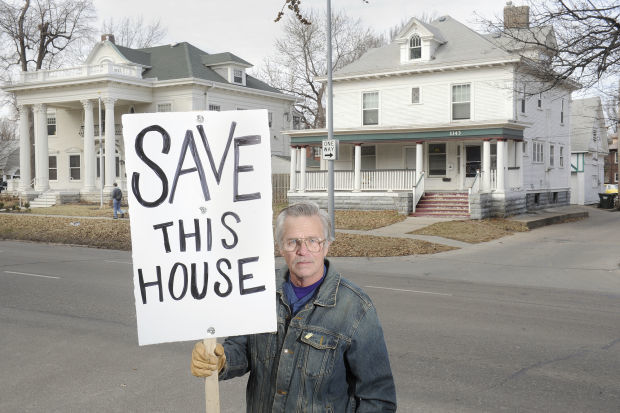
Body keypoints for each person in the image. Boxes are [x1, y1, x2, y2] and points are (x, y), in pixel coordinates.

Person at [191, 201, 397, 412]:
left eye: (313, 241)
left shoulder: (356, 309)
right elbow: (242, 347)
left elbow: (378, 398)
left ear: (326, 245)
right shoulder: (258, 292)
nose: (302, 250)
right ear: (280, 246)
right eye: (292, 242)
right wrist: (220, 359)